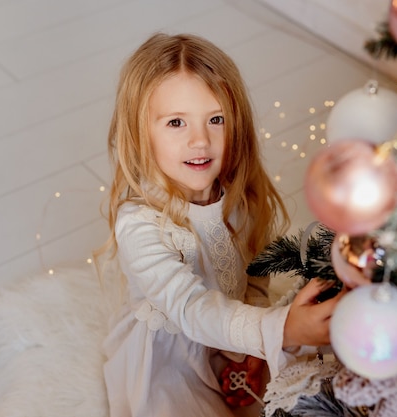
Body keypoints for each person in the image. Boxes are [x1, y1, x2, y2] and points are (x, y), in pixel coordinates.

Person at [99, 32, 343, 417]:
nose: (200, 140)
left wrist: (253, 353)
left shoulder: (238, 198)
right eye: (176, 122)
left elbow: (254, 277)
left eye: (216, 119)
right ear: (140, 132)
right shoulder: (140, 224)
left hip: (235, 333)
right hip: (170, 357)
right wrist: (279, 330)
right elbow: (191, 309)